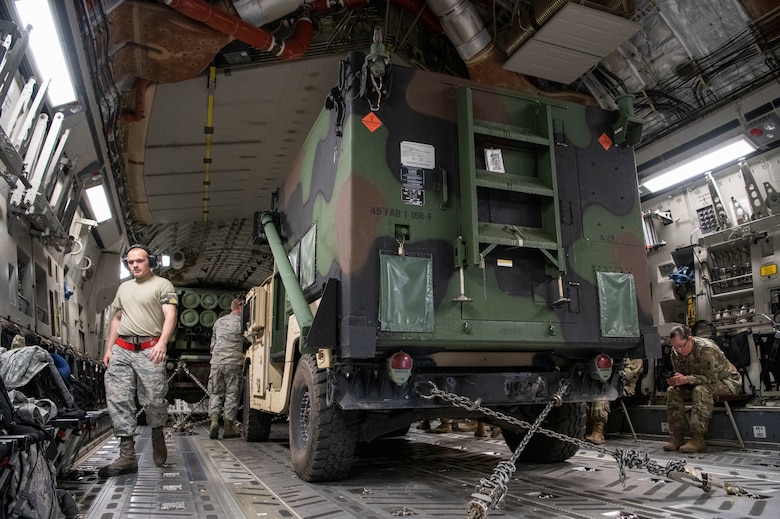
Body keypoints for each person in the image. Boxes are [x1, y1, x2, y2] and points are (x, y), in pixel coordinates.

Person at [98, 245, 178, 478]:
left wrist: (163, 342)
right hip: (122, 348)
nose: (135, 265)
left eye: (139, 261)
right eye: (130, 262)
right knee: (118, 398)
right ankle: (127, 456)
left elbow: (170, 315)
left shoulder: (163, 285)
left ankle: (157, 432)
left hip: (150, 348)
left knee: (154, 398)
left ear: (150, 261)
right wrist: (108, 348)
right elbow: (117, 318)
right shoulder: (124, 288)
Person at [663, 324, 742, 453]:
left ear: (689, 339)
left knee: (701, 390)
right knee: (672, 391)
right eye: (675, 347)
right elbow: (683, 375)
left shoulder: (706, 349)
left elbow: (712, 379)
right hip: (697, 383)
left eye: (681, 346)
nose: (678, 350)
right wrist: (677, 380)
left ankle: (697, 439)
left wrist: (687, 379)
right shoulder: (675, 352)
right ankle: (676, 437)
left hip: (727, 383)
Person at [208, 298, 245, 439]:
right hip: (233, 363)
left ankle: (214, 421)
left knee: (216, 393)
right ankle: (228, 428)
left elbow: (213, 345)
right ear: (239, 308)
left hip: (216, 363)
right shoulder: (242, 323)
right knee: (231, 394)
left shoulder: (219, 322)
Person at [585, 358, 644, 445]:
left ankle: (598, 432)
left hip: (624, 389)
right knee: (585, 393)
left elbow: (625, 375)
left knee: (603, 395)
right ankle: (588, 428)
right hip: (607, 385)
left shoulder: (636, 359)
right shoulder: (612, 356)